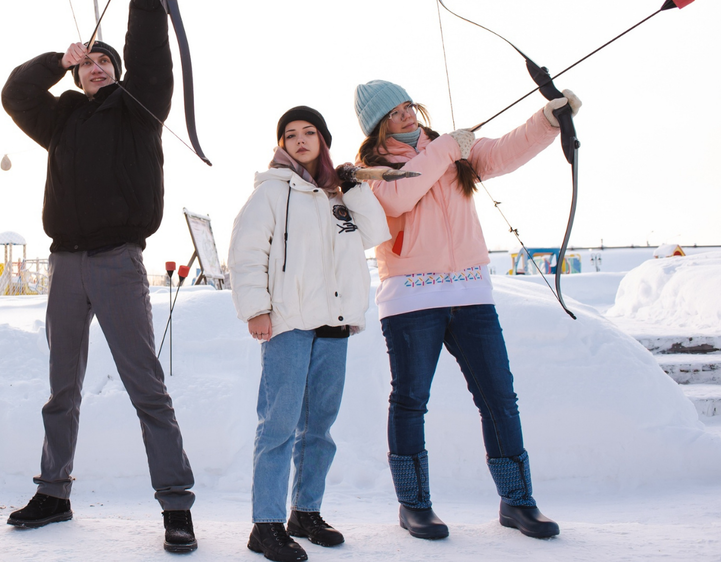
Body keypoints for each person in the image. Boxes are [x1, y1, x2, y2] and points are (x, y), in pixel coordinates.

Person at [0, 0, 197, 553]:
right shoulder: (60, 119)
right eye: (90, 64)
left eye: (105, 63)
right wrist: (56, 61)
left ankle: (175, 506)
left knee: (147, 387)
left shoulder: (139, 109)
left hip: (117, 263)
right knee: (62, 389)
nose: (99, 69)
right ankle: (53, 492)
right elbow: (15, 96)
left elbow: (150, 62)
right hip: (65, 265)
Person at [353, 79, 580, 541]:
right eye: (395, 114)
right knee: (411, 401)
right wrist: (447, 149)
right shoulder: (370, 170)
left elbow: (502, 153)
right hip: (411, 300)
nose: (407, 116)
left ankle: (518, 502)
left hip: (471, 294)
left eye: (408, 107)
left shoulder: (452, 150)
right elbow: (401, 196)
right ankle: (414, 506)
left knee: (499, 398)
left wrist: (548, 121)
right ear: (378, 127)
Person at [229, 107, 390, 562]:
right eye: (290, 134)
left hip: (334, 322)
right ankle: (265, 524)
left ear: (323, 139)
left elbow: (374, 233)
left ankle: (305, 512)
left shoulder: (337, 194)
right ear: (281, 143)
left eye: (309, 132)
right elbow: (245, 255)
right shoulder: (271, 192)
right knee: (278, 425)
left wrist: (353, 185)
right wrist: (256, 309)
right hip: (288, 323)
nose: (300, 140)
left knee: (319, 426)